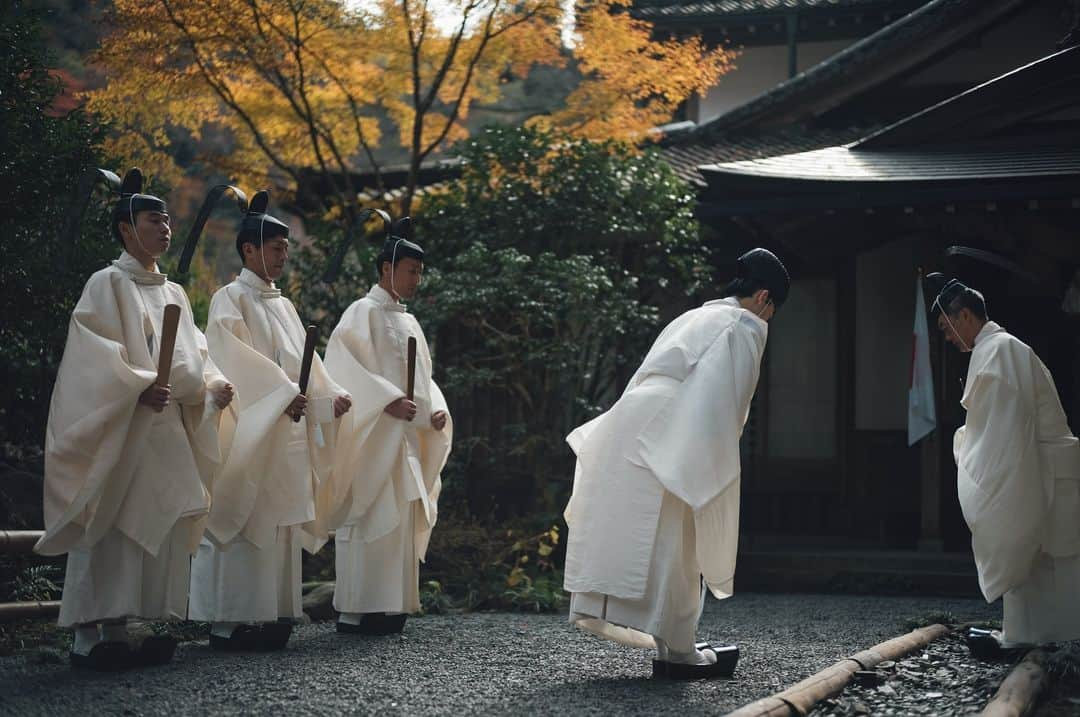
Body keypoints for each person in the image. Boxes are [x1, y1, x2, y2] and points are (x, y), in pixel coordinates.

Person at [36, 168, 233, 670]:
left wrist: (211, 387)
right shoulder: (107, 283)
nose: (165, 228)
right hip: (125, 425)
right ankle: (89, 634)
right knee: (111, 522)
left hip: (165, 428)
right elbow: (92, 355)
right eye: (153, 219)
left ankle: (129, 624)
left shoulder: (176, 294)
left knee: (154, 522)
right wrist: (138, 385)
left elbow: (197, 354)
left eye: (167, 220)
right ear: (126, 229)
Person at [562, 248, 789, 679]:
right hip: (675, 430)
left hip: (629, 423)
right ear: (763, 298)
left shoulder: (695, 316)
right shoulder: (746, 324)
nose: (769, 317)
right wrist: (713, 460)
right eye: (773, 308)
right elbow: (729, 401)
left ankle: (674, 645)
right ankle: (679, 652)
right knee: (679, 544)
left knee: (651, 541)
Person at [189, 190, 351, 650]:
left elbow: (308, 365)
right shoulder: (229, 299)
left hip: (286, 431)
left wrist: (330, 396)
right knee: (245, 516)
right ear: (249, 250)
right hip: (249, 430)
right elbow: (229, 360)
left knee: (278, 519)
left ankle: (274, 611)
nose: (283, 256)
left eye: (285, 248)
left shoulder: (283, 305)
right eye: (276, 248)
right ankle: (229, 621)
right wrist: (283, 396)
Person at [929, 275, 1080, 657]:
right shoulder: (1002, 348)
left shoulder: (999, 351)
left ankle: (1054, 643)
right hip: (1042, 465)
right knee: (1035, 561)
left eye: (947, 328)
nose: (947, 337)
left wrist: (966, 446)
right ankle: (1030, 638)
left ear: (965, 316)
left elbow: (1003, 431)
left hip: (1041, 466)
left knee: (1045, 556)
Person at [322, 218, 452, 635]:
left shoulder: (409, 321)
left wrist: (435, 409)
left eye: (419, 271)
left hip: (406, 438)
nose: (417, 279)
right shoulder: (362, 312)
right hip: (375, 433)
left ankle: (390, 603)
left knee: (398, 516)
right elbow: (343, 367)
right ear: (385, 269)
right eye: (410, 270)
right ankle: (357, 609)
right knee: (368, 514)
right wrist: (385, 400)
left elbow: (424, 379)